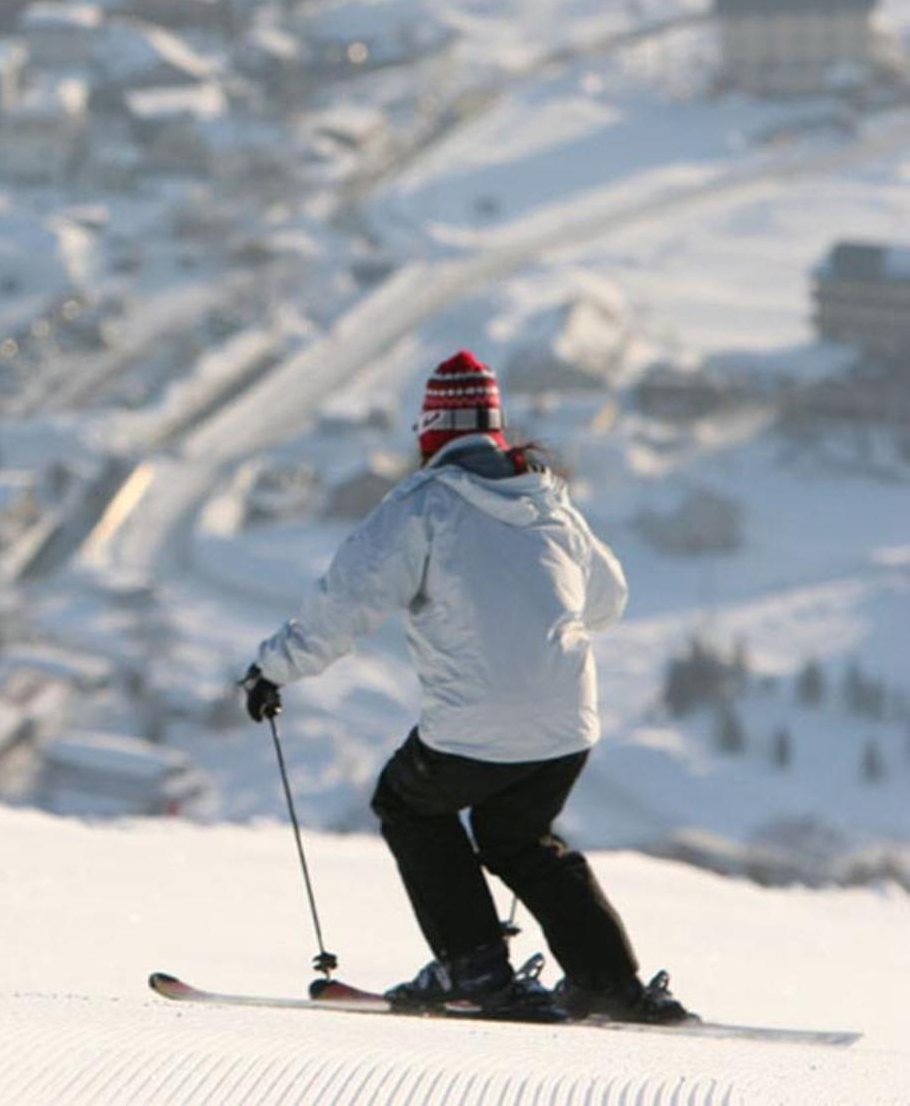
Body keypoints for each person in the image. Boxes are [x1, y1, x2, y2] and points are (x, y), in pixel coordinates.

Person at [238, 350, 691, 1024]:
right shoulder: (547, 499)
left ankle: (475, 967)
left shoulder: (424, 506)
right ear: (495, 427)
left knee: (409, 803)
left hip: (478, 722)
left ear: (432, 430)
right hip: (567, 730)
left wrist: (274, 668)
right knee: (519, 838)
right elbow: (609, 600)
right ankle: (608, 981)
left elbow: (345, 602)